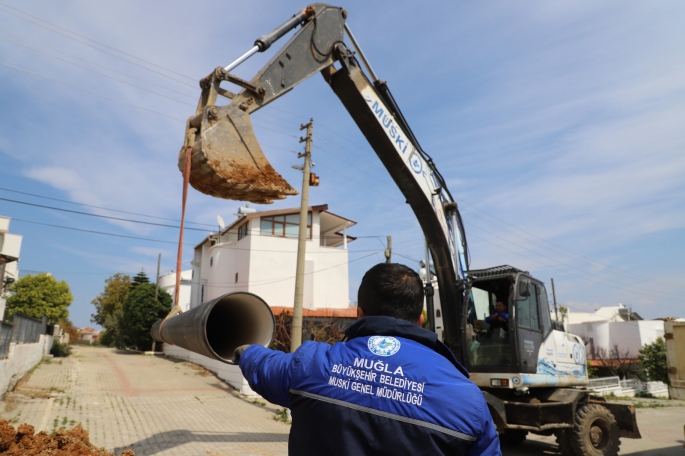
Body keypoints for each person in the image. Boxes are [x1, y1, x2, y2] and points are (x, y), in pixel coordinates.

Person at [235, 263, 501, 455]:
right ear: (420, 319)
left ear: (360, 314)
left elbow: (262, 364)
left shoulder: (311, 365)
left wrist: (244, 350)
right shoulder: (468, 400)